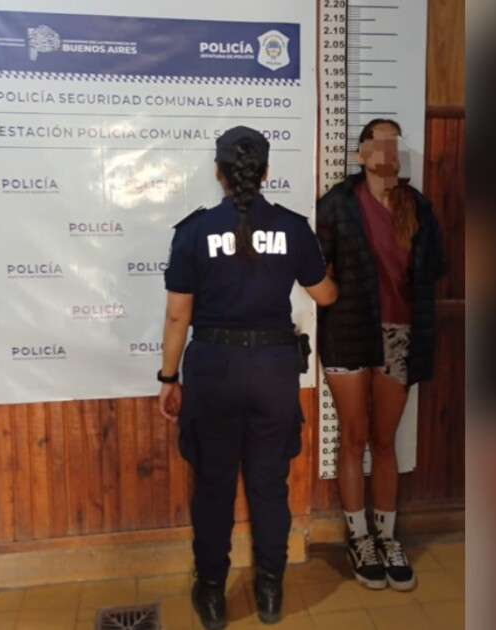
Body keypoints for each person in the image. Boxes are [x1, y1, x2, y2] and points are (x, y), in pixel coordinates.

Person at [157, 126, 337, 628]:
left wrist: (168, 378)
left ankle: (214, 596)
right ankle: (271, 592)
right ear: (265, 172)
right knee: (268, 485)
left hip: (213, 370)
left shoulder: (194, 231)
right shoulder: (292, 228)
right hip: (273, 371)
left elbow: (177, 316)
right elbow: (325, 295)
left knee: (213, 485)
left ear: (218, 172)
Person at [315, 119, 447, 591]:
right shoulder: (337, 204)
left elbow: (436, 268)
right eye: (380, 141)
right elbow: (316, 268)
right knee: (353, 438)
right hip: (348, 332)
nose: (390, 148)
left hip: (400, 334)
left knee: (384, 440)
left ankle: (387, 537)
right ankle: (360, 538)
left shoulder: (419, 207)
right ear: (361, 154)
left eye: (395, 141)